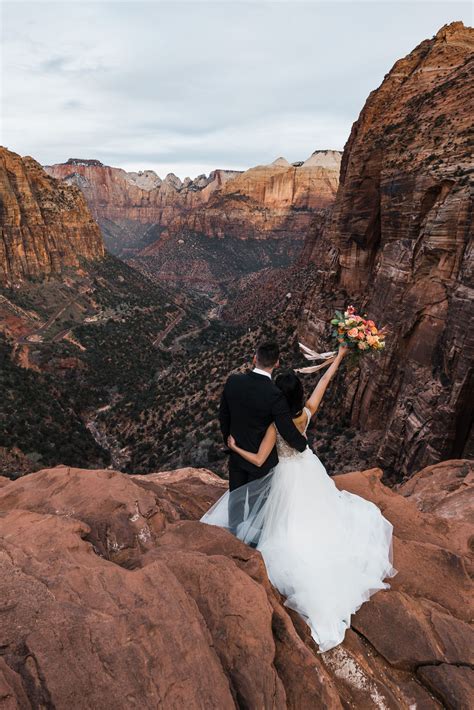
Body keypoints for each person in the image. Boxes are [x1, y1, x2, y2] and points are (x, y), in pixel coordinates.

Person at [202, 344, 396, 652]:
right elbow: (323, 384)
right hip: (308, 471)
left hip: (275, 472)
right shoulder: (304, 413)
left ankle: (249, 545)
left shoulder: (260, 410)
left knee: (270, 517)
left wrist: (234, 446)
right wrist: (340, 356)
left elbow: (250, 447)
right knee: (314, 516)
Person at [218, 341, 307, 534]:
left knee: (236, 497)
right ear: (276, 364)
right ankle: (254, 541)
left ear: (254, 358)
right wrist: (303, 446)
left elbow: (223, 415)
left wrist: (229, 440)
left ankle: (233, 534)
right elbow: (286, 429)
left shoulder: (233, 381)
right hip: (263, 460)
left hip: (238, 454)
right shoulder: (275, 395)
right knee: (258, 505)